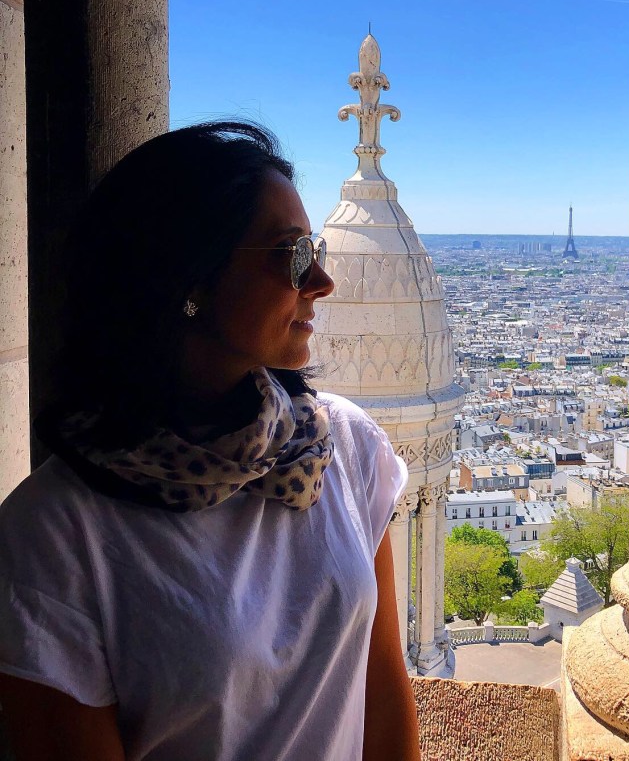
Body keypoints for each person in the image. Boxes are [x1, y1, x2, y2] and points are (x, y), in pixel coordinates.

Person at [0, 122, 422, 761]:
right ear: (189, 280)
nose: (321, 281)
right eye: (291, 254)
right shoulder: (54, 535)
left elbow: (383, 696)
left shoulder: (346, 448)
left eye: (314, 251)